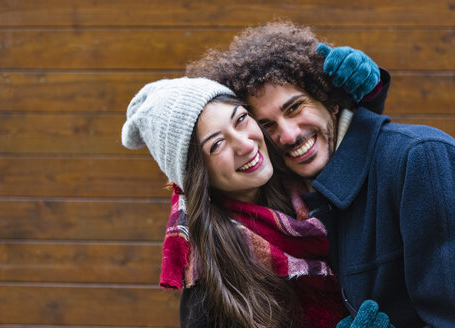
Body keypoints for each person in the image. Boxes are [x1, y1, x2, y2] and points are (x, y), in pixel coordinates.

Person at [186, 21, 455, 327]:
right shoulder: (294, 203)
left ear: (331, 102)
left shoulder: (422, 159)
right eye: (267, 124)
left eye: (295, 108)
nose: (288, 135)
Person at [121, 77, 395, 328]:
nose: (246, 144)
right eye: (217, 145)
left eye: (240, 119)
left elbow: (345, 145)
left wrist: (369, 90)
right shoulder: (212, 281)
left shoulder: (305, 184)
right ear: (197, 174)